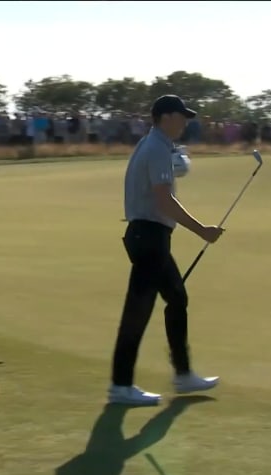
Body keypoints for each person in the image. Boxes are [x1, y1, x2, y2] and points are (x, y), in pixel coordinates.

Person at [110, 94, 224, 406]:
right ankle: (121, 386)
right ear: (166, 117)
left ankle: (183, 374)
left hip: (149, 236)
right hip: (148, 237)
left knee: (176, 297)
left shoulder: (156, 145)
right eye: (181, 116)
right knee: (138, 312)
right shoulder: (156, 147)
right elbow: (164, 201)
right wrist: (202, 230)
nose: (186, 122)